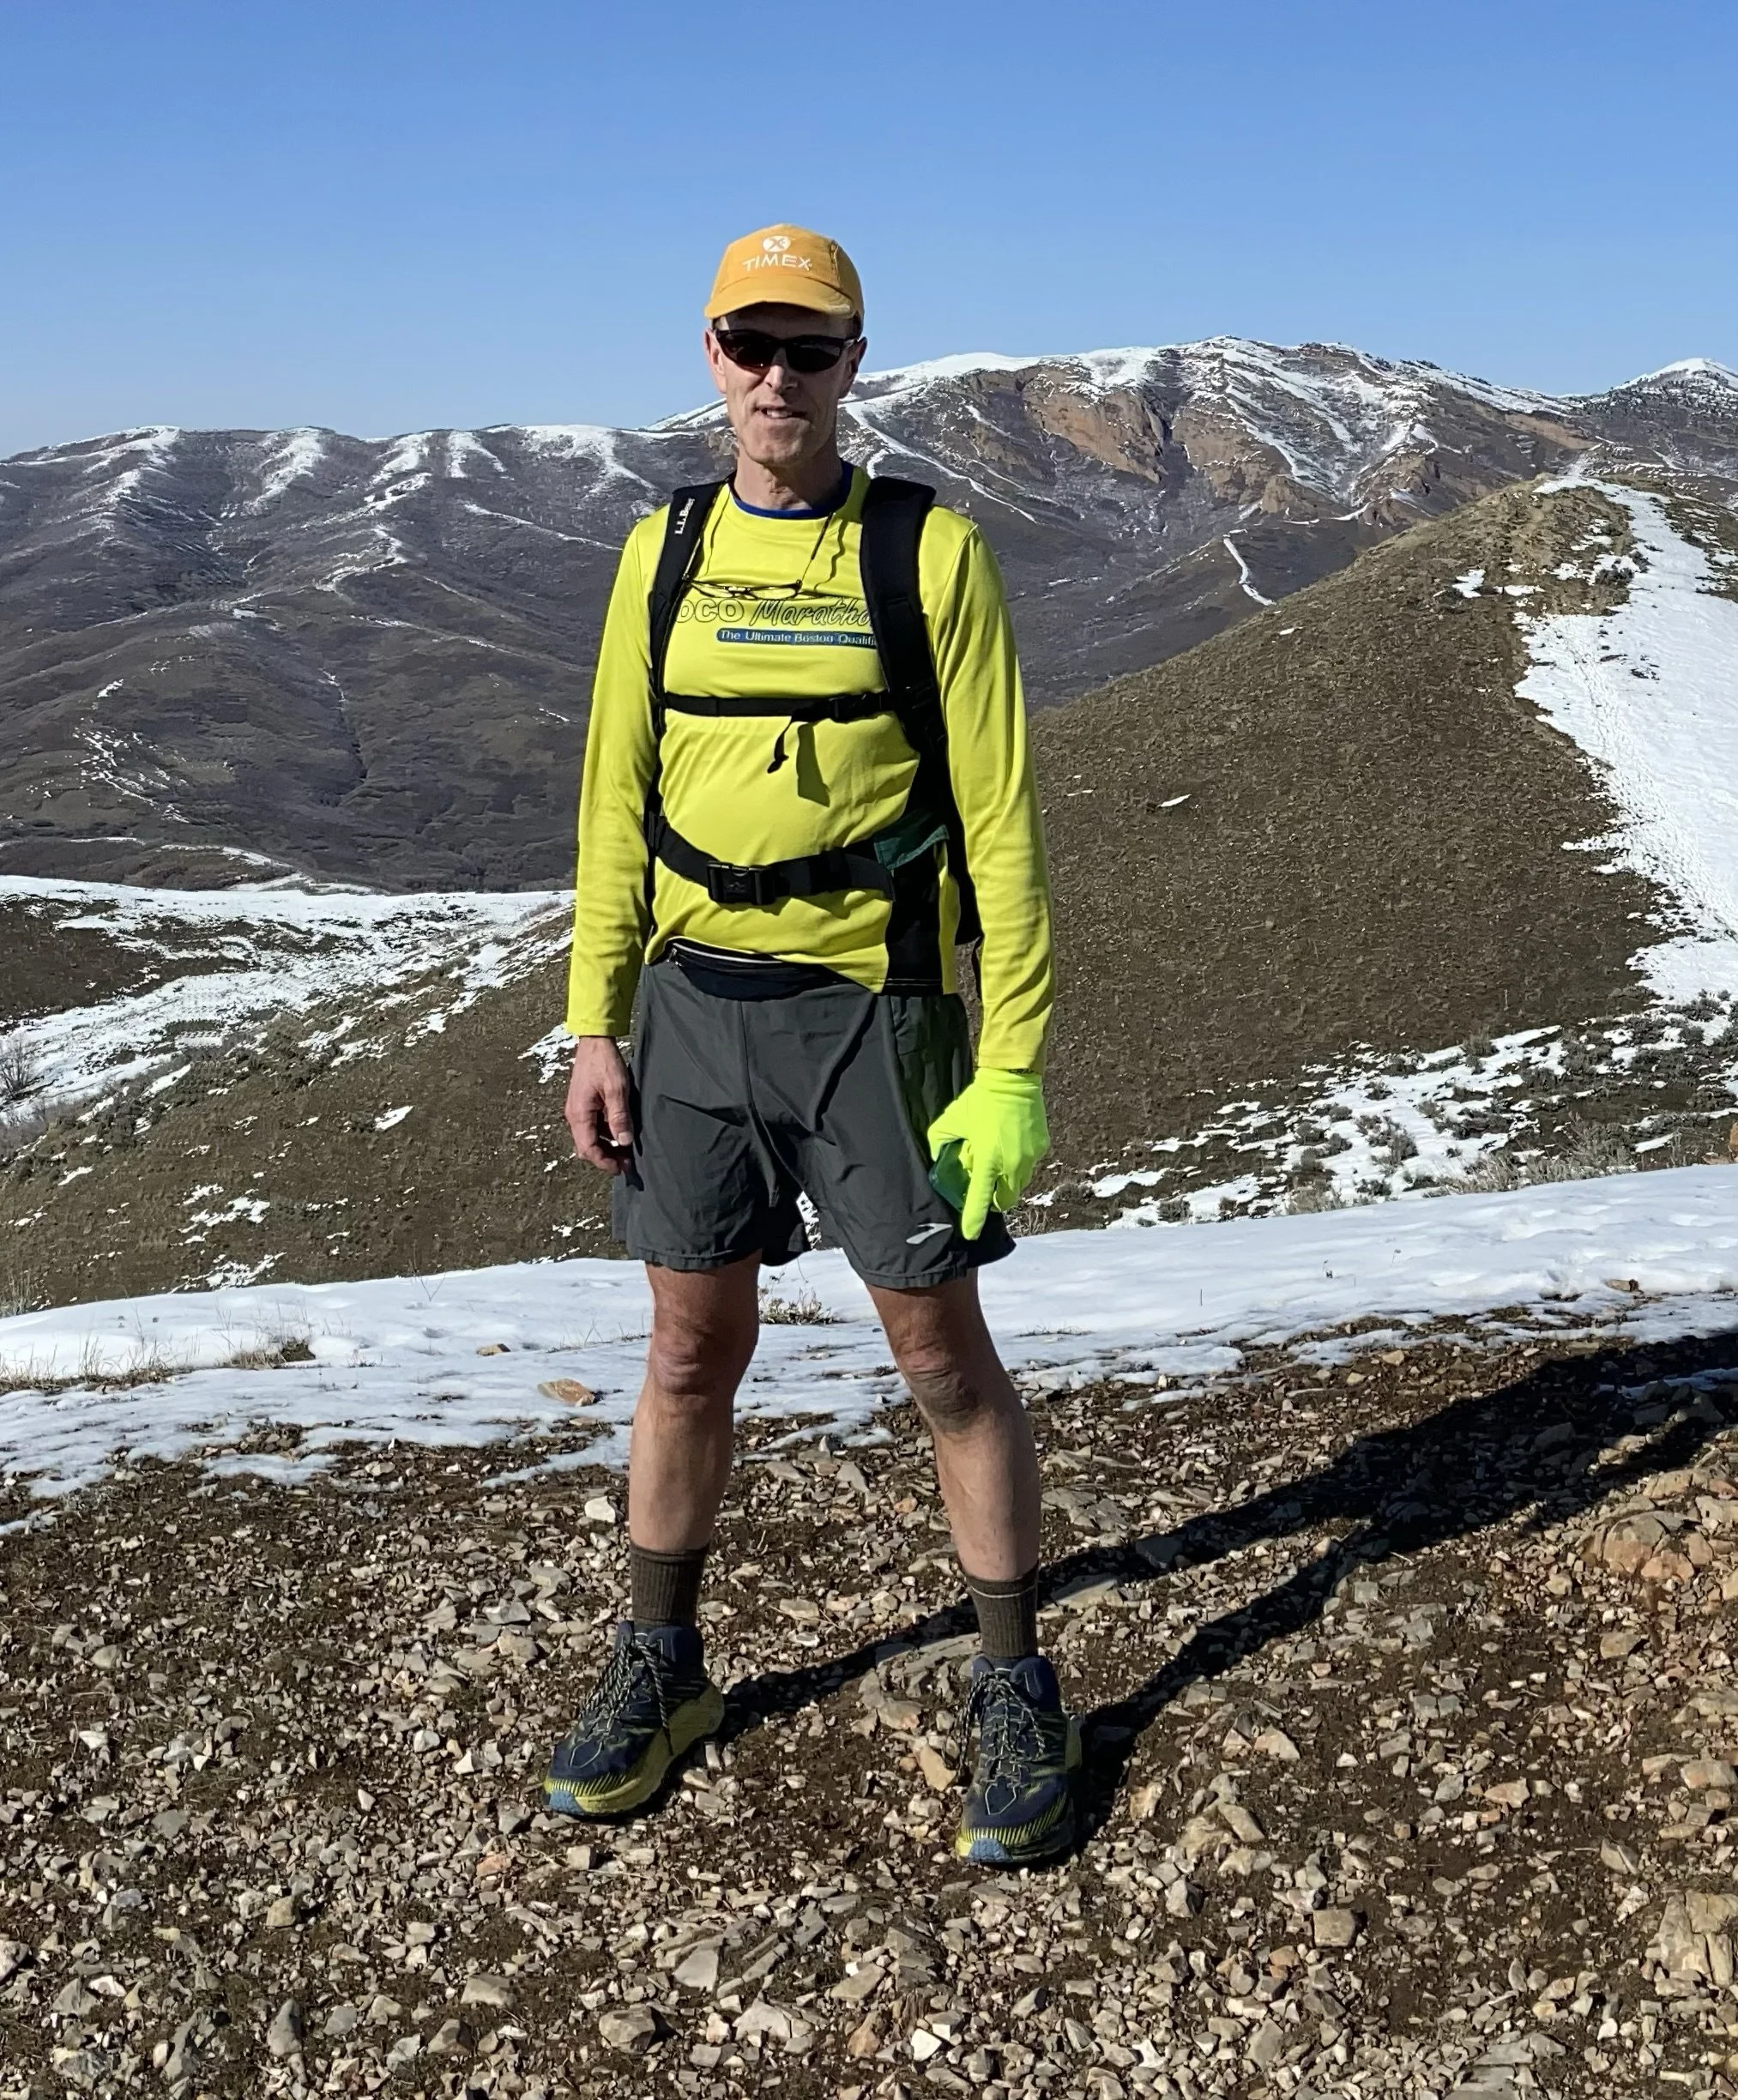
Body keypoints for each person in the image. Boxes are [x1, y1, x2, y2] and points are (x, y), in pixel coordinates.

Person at [546, 222, 1072, 1865]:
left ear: (856, 364)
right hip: (696, 1011)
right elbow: (611, 801)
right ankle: (663, 1659)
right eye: (750, 343)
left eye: (813, 349)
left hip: (879, 1018)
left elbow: (1000, 822)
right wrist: (592, 1022)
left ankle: (1013, 1680)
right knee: (689, 1350)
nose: (779, 376)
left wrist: (1009, 1064)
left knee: (937, 1360)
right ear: (710, 354)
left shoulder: (927, 551)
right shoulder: (664, 551)